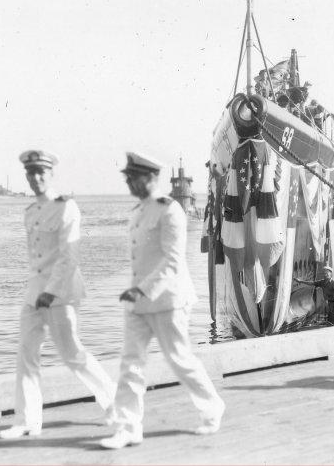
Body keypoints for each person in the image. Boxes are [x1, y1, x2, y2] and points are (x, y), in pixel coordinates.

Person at [99, 152, 225, 450]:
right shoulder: (138, 212)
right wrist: (137, 292)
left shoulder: (170, 211)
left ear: (152, 178)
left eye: (135, 178)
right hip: (139, 302)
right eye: (128, 178)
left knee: (180, 360)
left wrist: (141, 290)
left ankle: (212, 407)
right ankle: (128, 427)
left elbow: (172, 260)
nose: (130, 183)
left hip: (168, 299)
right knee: (130, 364)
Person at [0, 149, 116, 439]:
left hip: (60, 293)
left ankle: (116, 404)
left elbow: (69, 256)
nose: (35, 178)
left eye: (41, 173)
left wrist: (50, 293)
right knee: (26, 354)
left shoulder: (66, 207)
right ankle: (27, 421)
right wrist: (37, 292)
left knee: (72, 354)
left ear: (51, 175)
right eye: (31, 173)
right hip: (34, 293)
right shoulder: (31, 211)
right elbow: (36, 259)